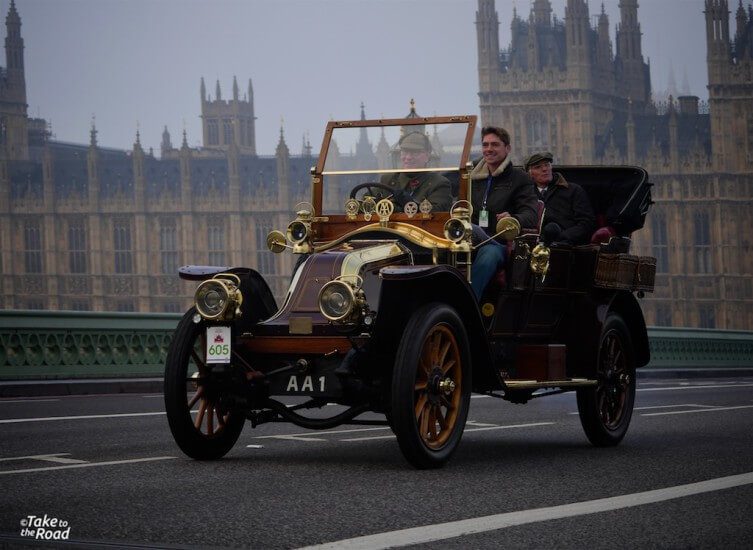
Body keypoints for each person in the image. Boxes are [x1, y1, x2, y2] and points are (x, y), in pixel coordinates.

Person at [469, 126, 538, 299]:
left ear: (507, 148)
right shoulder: (470, 178)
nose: (489, 149)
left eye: (495, 145)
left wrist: (513, 219)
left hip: (497, 243)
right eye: (485, 145)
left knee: (488, 256)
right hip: (469, 239)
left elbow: (531, 214)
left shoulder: (520, 178)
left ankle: (465, 306)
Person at [525, 151, 595, 246]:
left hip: (567, 245)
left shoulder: (573, 190)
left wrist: (563, 237)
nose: (545, 169)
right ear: (530, 174)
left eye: (547, 165)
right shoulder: (526, 195)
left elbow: (587, 223)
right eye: (538, 167)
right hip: (534, 246)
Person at [378, 131, 452, 211]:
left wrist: (411, 204)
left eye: (415, 153)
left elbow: (437, 214)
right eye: (405, 152)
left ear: (427, 156)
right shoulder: (387, 180)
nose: (408, 157)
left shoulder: (439, 183)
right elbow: (367, 203)